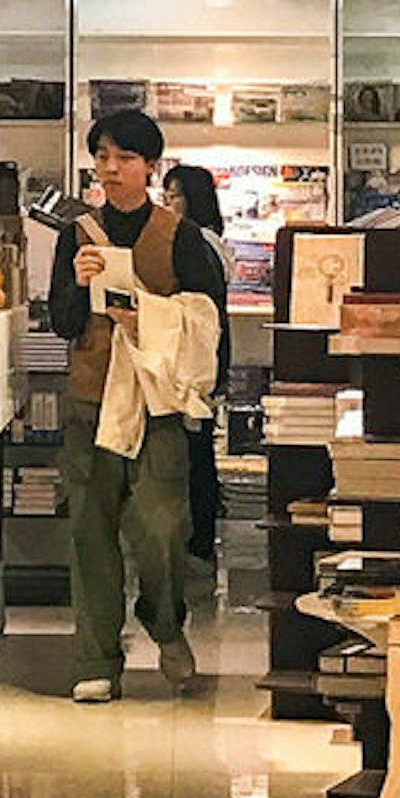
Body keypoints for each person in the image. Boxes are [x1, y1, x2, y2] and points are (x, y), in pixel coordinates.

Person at [45, 109, 224, 702]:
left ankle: (164, 618)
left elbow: (208, 322)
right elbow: (63, 322)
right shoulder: (78, 235)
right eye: (102, 157)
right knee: (89, 533)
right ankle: (94, 661)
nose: (112, 169)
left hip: (155, 407)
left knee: (163, 529)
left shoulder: (181, 237)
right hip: (90, 402)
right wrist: (74, 281)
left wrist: (148, 316)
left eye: (124, 158)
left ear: (151, 166)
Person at [159, 160, 235, 576]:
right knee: (198, 451)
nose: (168, 204)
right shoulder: (214, 241)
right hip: (206, 362)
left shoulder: (195, 243)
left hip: (194, 367)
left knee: (195, 455)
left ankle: (198, 543)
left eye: (175, 196)